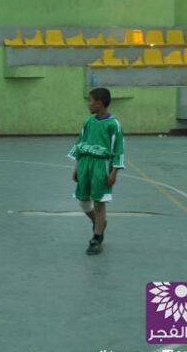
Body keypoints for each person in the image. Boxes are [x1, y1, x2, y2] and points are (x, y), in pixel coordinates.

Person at [68, 87, 125, 255]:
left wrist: (114, 172)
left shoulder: (113, 125)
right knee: (83, 201)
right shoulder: (88, 122)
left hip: (101, 166)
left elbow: (119, 150)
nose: (89, 103)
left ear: (99, 103)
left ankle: (97, 237)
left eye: (91, 100)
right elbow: (80, 143)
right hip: (85, 165)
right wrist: (77, 167)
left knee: (99, 203)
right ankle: (100, 223)